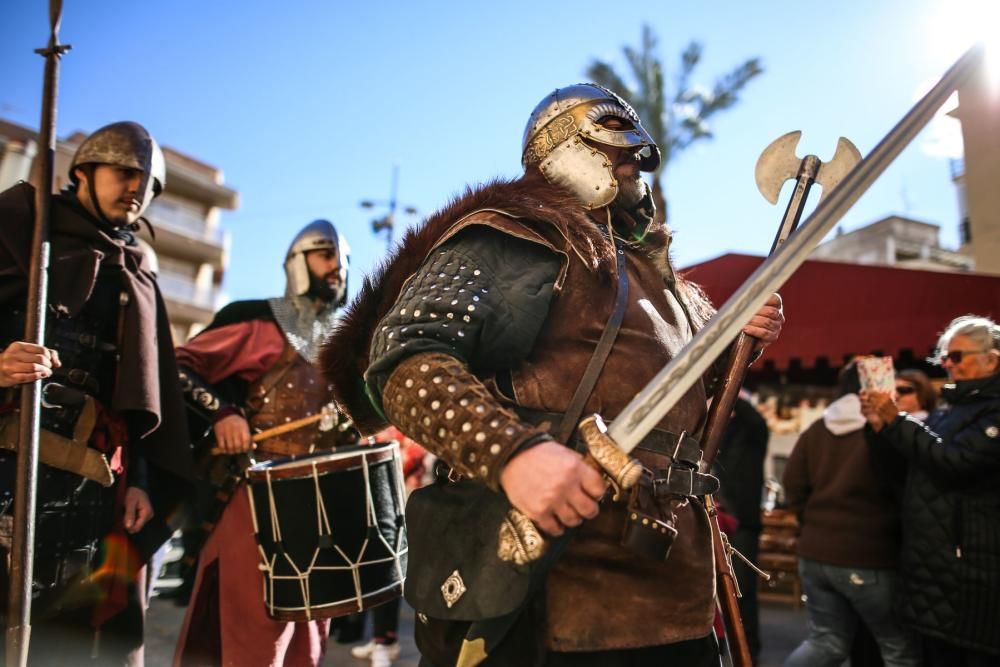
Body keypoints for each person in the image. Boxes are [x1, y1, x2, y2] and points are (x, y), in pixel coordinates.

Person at [322, 83, 783, 666]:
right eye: (618, 152)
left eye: (636, 158)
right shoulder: (520, 235)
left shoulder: (660, 277)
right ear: (565, 151)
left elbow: (681, 402)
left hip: (675, 588)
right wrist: (511, 454)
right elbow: (405, 360)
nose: (631, 166)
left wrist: (737, 344)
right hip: (555, 583)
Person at [0, 121, 192, 665]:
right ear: (84, 170)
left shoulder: (136, 269)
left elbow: (141, 394)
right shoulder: (20, 229)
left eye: (147, 183)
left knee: (68, 622)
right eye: (124, 172)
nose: (136, 188)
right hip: (8, 452)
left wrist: (143, 483)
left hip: (91, 473)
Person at [171, 220, 358, 666]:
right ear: (298, 262)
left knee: (309, 635)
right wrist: (223, 412)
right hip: (255, 495)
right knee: (250, 624)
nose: (337, 267)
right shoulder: (258, 323)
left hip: (320, 505)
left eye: (343, 259)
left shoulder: (348, 343)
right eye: (325, 254)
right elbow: (177, 366)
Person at [861, 315, 1000, 666]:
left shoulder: (990, 412)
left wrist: (898, 422)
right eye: (945, 357)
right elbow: (905, 471)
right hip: (936, 569)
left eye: (958, 356)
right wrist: (880, 429)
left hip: (972, 573)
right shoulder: (949, 410)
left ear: (992, 359)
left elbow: (956, 463)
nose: (949, 364)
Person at [782, 361, 919, 667]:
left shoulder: (818, 428)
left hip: (816, 551)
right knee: (899, 648)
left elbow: (792, 484)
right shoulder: (885, 429)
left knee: (826, 643)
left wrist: (812, 522)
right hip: (868, 553)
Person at [713, 391, 769, 663]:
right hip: (719, 520)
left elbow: (754, 419)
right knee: (718, 593)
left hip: (742, 524)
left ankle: (748, 655)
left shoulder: (754, 433)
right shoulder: (720, 432)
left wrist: (732, 387)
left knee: (742, 593)